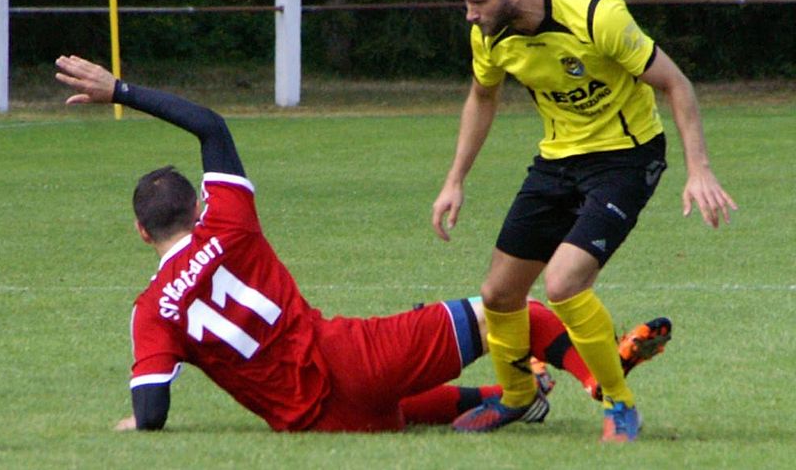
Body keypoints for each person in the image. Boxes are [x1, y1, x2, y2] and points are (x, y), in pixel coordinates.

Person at [54, 55, 670, 433]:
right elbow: (211, 127)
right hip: (351, 360)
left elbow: (153, 411)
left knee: (398, 404)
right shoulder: (227, 223)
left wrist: (137, 423)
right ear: (197, 207)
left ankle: (511, 396)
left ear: (142, 232)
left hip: (313, 423)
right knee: (510, 311)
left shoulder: (150, 312)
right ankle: (596, 378)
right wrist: (120, 91)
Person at [431, 0, 735, 442]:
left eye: (477, 2)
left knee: (564, 283)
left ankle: (619, 403)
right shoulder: (490, 35)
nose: (470, 15)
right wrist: (454, 180)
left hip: (626, 157)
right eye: (465, 3)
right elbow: (482, 97)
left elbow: (675, 83)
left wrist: (699, 169)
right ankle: (518, 397)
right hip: (558, 160)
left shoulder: (597, 17)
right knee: (499, 293)